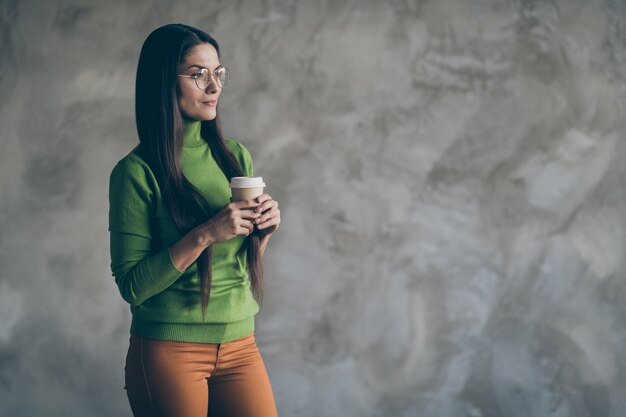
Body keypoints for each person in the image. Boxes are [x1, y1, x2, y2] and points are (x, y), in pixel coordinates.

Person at [108, 23, 280, 417]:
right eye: (198, 74)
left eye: (218, 73)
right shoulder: (135, 172)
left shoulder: (234, 156)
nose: (213, 86)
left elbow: (235, 261)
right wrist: (205, 234)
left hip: (241, 343)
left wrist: (263, 230)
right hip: (170, 352)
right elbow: (133, 286)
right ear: (163, 81)